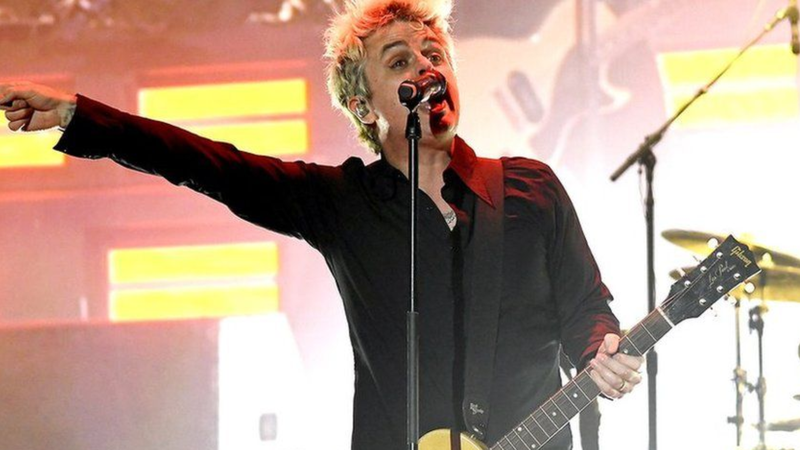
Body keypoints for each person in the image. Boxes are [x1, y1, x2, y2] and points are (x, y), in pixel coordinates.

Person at [0, 0, 642, 448]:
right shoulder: (344, 204)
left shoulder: (531, 189)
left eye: (433, 53)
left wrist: (600, 349)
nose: (425, 69)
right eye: (398, 63)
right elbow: (212, 165)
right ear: (362, 104)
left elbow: (587, 305)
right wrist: (78, 116)